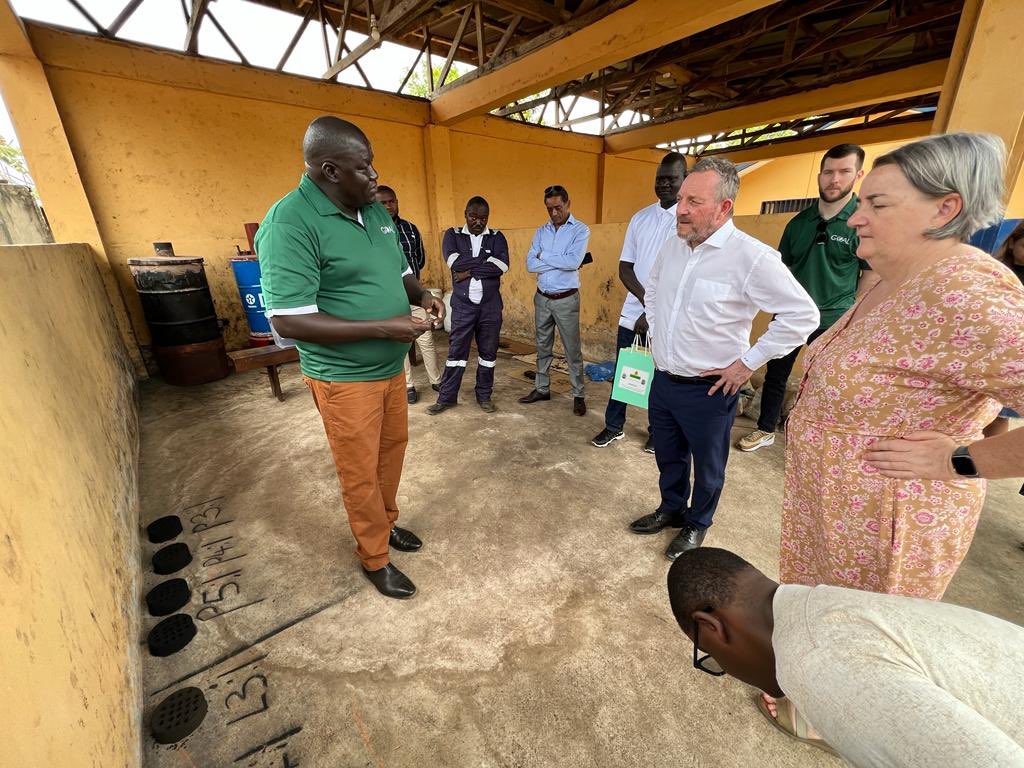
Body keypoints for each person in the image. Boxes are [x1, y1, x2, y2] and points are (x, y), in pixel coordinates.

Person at [781, 132, 1024, 603]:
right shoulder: (896, 277)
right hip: (836, 523)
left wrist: (963, 459)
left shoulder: (965, 290)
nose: (855, 217)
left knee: (860, 650)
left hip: (888, 532)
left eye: (878, 204)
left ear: (944, 209)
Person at [255, 116, 445, 600]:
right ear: (330, 170)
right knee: (360, 472)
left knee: (390, 457)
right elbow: (289, 321)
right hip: (345, 378)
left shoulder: (375, 212)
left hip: (386, 369)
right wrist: (387, 326)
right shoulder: (289, 223)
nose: (374, 175)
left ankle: (385, 525)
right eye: (363, 168)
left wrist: (423, 296)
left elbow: (401, 271)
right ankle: (374, 556)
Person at [667, 547, 1024, 766]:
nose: (726, 669)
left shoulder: (817, 667)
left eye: (709, 656)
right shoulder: (821, 601)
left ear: (711, 627)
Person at [630, 158, 818, 561]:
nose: (680, 209)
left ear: (723, 207)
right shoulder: (673, 245)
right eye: (681, 198)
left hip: (710, 388)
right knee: (668, 453)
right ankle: (672, 508)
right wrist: (660, 336)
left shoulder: (751, 257)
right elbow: (654, 290)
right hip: (664, 379)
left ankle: (699, 522)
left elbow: (803, 315)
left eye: (693, 201)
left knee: (709, 465)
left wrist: (748, 363)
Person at [737, 143, 880, 452]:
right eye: (828, 172)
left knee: (825, 382)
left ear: (859, 175)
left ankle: (816, 441)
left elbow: (870, 274)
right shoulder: (798, 223)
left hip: (833, 318)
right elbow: (780, 271)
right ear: (819, 175)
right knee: (776, 373)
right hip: (790, 317)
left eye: (844, 172)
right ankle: (765, 429)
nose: (834, 180)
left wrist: (851, 317)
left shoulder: (863, 223)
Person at [592, 152, 687, 451]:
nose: (664, 185)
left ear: (684, 180)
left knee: (661, 379)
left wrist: (656, 310)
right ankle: (613, 426)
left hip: (668, 316)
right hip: (634, 312)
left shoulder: (687, 222)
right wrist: (647, 304)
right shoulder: (640, 218)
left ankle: (657, 432)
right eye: (660, 179)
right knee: (625, 370)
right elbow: (625, 267)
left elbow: (684, 275)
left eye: (671, 179)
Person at [427, 196, 509, 415]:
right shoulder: (452, 235)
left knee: (488, 354)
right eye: (474, 217)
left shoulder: (497, 237)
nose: (478, 222)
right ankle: (446, 398)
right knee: (456, 353)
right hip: (463, 306)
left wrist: (469, 271)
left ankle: (484, 395)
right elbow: (455, 262)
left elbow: (502, 265)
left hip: (490, 307)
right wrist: (484, 261)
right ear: (466, 214)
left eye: (483, 218)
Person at [519, 185, 591, 416]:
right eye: (549, 209)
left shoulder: (580, 230)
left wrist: (544, 256)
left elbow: (573, 262)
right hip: (542, 298)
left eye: (558, 208)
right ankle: (542, 388)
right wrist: (559, 260)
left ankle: (578, 394)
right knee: (542, 346)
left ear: (568, 204)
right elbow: (531, 264)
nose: (553, 213)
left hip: (566, 299)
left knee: (572, 350)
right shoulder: (541, 231)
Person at [375, 185, 441, 404]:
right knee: (400, 342)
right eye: (382, 203)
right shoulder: (371, 231)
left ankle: (436, 380)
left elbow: (419, 259)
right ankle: (409, 386)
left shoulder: (410, 229)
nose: (388, 206)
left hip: (414, 294)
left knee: (426, 338)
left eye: (391, 201)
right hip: (389, 299)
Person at [984, 219, 1024, 437]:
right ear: (1011, 244)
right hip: (990, 347)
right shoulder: (996, 270)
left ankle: (978, 464)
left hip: (1015, 351)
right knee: (982, 407)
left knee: (1001, 415)